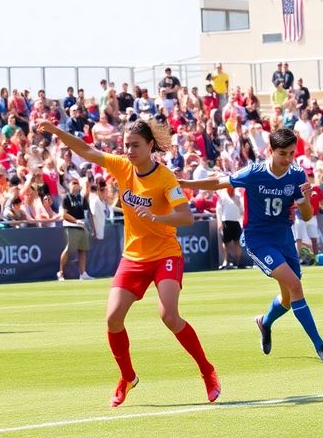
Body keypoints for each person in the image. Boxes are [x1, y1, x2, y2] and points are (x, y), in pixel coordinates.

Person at [38, 118, 219, 407]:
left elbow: (185, 216)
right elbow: (86, 150)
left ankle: (207, 370)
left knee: (169, 316)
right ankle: (127, 377)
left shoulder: (166, 178)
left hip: (165, 254)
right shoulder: (122, 166)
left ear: (150, 146)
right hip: (133, 256)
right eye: (126, 145)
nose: (129, 150)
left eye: (135, 145)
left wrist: (159, 218)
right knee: (112, 319)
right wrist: (57, 131)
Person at [180, 129, 323, 362]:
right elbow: (219, 181)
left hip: (284, 237)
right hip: (259, 240)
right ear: (269, 151)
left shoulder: (296, 175)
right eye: (282, 153)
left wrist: (304, 199)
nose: (287, 159)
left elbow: (306, 215)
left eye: (292, 153)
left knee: (287, 298)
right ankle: (320, 346)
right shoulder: (254, 172)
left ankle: (265, 322)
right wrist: (187, 182)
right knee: (295, 286)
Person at [59, 175, 93, 281]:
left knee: (82, 250)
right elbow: (64, 214)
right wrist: (75, 221)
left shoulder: (81, 198)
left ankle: (82, 273)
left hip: (82, 225)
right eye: (73, 183)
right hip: (71, 225)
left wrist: (90, 226)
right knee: (69, 250)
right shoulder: (66, 197)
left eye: (76, 183)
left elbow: (88, 213)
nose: (75, 185)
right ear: (69, 185)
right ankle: (60, 272)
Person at [214, 186, 242, 269]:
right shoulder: (222, 196)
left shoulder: (237, 196)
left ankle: (238, 262)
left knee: (237, 242)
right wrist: (219, 222)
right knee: (226, 243)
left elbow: (241, 209)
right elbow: (218, 210)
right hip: (226, 221)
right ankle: (226, 261)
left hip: (236, 221)